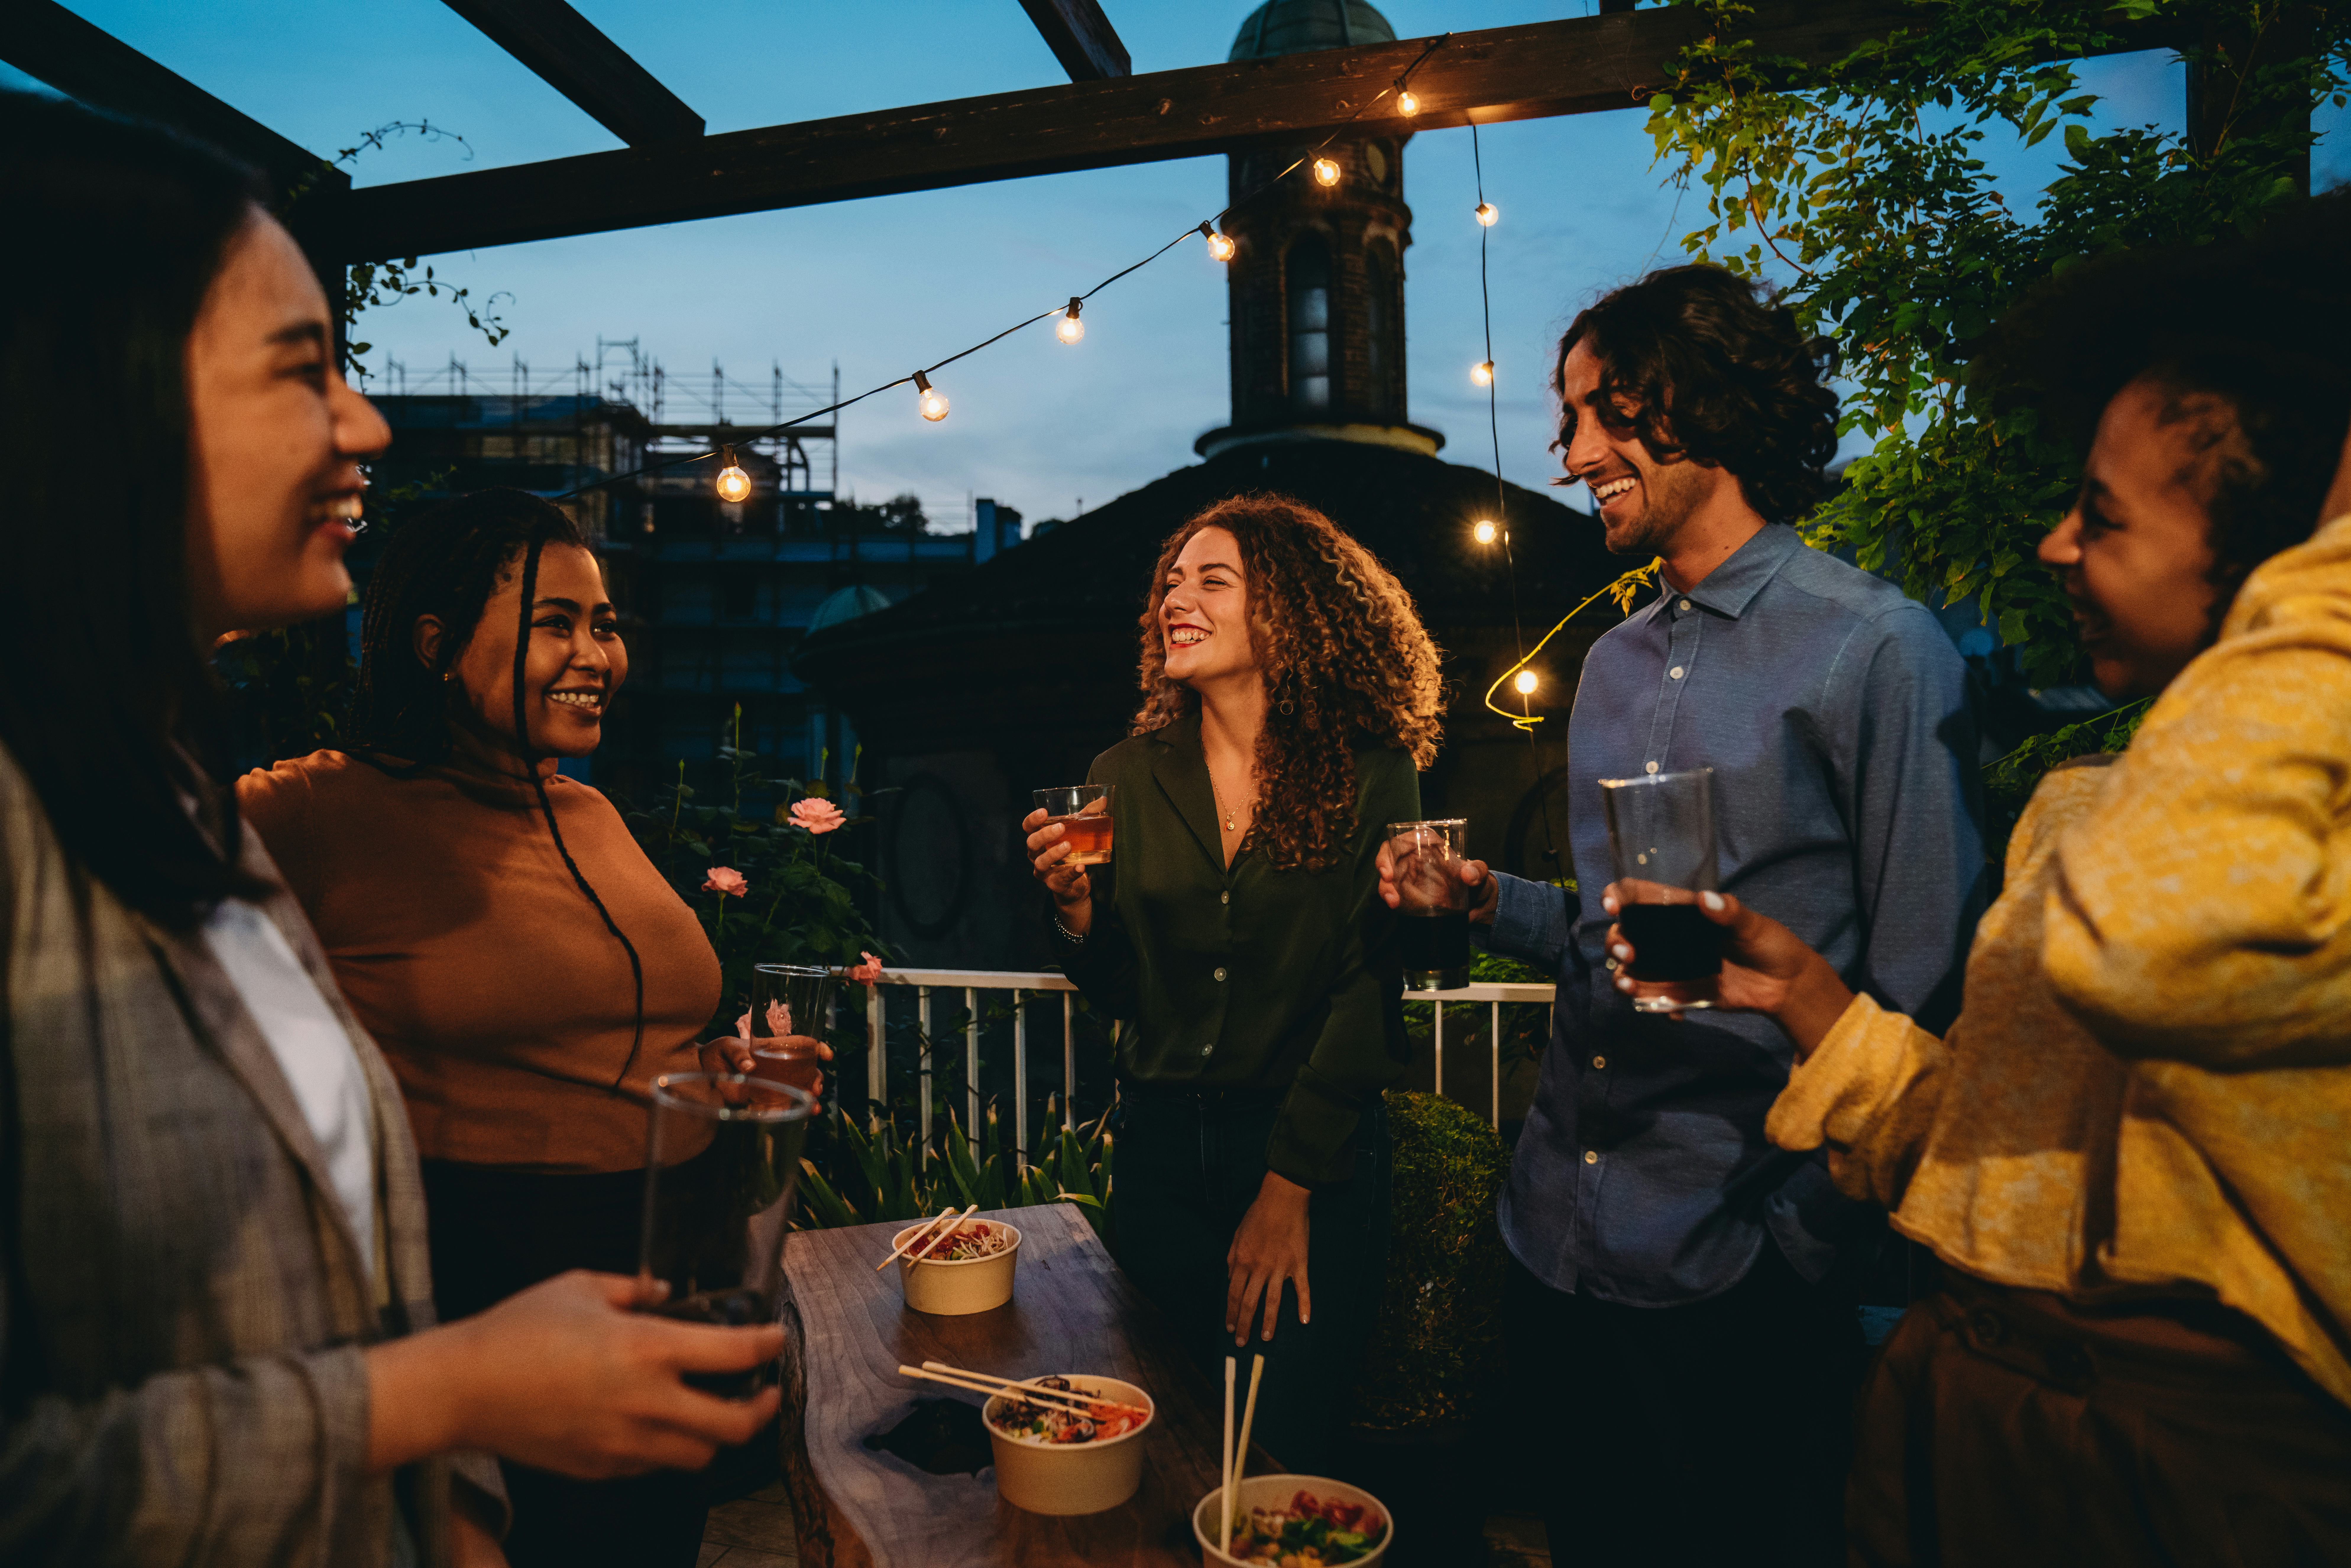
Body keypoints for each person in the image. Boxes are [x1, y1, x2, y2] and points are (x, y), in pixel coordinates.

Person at [0, 93, 781, 1567]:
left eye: (608, 626)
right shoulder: (292, 812)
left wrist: (450, 1490)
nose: (363, 423)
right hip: (511, 1303)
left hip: (605, 1318)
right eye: (304, 374)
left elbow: (345, 1251)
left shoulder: (168, 796)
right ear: (86, 399)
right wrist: (446, 1398)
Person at [1609, 213, 2351, 1566]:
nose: (2057, 547)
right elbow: (2007, 1159)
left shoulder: (2269, 833)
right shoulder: (2094, 807)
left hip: (2181, 1480)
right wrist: (1819, 1011)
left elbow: (2148, 946)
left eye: (2105, 517)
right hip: (1959, 1422)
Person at [1380, 264, 1987, 1567]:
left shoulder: (1875, 648)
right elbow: (1615, 937)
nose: (1573, 451)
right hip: (1555, 1240)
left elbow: (1921, 995)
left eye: (1606, 410)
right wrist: (1489, 900)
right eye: (1567, 418)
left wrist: (1800, 1241)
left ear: (1703, 404)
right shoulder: (1607, 663)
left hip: (1736, 1266)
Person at [236, 488, 819, 1568]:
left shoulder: (590, 810)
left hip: (673, 1281)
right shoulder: (319, 811)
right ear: (438, 646)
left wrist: (726, 1071)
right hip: (499, 1297)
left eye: (605, 625)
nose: (599, 652)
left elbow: (617, 1026)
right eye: (558, 623)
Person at [1021, 495, 1441, 1471]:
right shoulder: (1119, 774)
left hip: (1308, 1155)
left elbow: (1370, 987)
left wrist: (1288, 1186)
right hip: (1160, 1153)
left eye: (1213, 580)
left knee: (1279, 1454)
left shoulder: (1373, 773)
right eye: (1172, 581)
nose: (1178, 597)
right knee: (1169, 1450)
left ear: (1289, 612)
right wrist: (1079, 916)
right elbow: (1132, 991)